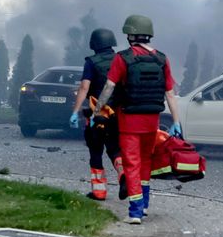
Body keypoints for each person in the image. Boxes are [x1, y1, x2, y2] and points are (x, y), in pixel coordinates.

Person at [93, 15, 181, 224]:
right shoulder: (162, 59)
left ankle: (135, 212)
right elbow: (170, 94)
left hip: (129, 121)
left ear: (130, 35)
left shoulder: (122, 58)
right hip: (152, 121)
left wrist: (97, 110)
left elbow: (109, 87)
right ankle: (145, 205)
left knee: (131, 163)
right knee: (146, 161)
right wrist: (176, 121)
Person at [70, 28, 126, 201]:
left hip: (98, 115)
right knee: (115, 149)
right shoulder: (121, 59)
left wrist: (75, 112)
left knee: (96, 152)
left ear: (93, 44)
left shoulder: (91, 62)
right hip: (117, 114)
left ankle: (99, 192)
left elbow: (84, 87)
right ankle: (123, 175)